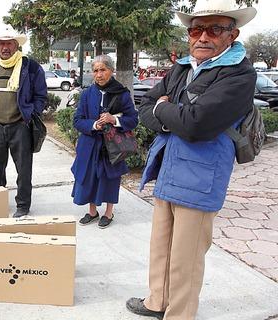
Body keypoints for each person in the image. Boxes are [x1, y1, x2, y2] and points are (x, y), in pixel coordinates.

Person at [126, 0, 257, 319]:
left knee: (186, 257)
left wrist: (164, 110)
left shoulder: (240, 74)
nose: (203, 36)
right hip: (169, 166)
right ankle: (157, 301)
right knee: (161, 247)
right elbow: (145, 103)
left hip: (201, 175)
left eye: (214, 29)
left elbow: (198, 124)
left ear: (232, 34)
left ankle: (179, 314)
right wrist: (171, 114)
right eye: (196, 29)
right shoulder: (183, 67)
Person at [0, 30, 47, 218]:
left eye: (9, 43)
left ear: (17, 45)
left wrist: (30, 115)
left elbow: (41, 96)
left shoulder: (30, 67)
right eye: (1, 43)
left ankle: (23, 205)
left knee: (24, 169)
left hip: (20, 126)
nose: (5, 47)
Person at [71, 55, 138, 228]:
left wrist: (113, 120)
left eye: (103, 70)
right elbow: (77, 120)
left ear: (111, 70)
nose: (99, 75)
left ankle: (109, 212)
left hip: (111, 147)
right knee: (89, 177)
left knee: (110, 179)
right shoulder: (86, 94)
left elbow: (133, 119)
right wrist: (94, 124)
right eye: (95, 71)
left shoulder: (122, 94)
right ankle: (92, 211)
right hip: (90, 145)